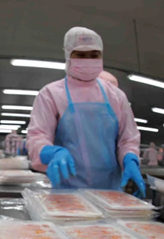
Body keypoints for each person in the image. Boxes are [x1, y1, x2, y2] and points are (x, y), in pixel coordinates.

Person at [26, 27, 144, 196]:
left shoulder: (116, 96)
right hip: (66, 192)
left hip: (110, 193)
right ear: (68, 56)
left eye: (94, 55)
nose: (88, 60)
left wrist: (130, 159)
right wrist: (52, 153)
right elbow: (38, 135)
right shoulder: (51, 94)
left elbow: (127, 139)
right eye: (80, 55)